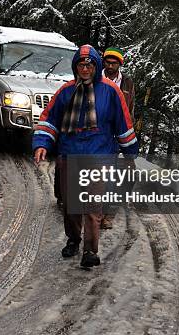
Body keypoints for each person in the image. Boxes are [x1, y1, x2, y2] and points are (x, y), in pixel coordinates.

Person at [33, 45, 138, 269]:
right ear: (75, 67)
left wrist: (129, 152)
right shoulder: (66, 91)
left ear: (96, 66)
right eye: (81, 64)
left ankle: (90, 250)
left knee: (93, 207)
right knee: (71, 205)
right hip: (70, 153)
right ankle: (73, 238)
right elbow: (49, 119)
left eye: (90, 64)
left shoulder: (110, 92)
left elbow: (123, 123)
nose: (85, 69)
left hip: (99, 154)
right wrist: (42, 143)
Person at [101, 46, 136, 229]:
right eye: (108, 61)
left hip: (119, 134)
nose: (111, 65)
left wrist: (130, 135)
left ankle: (109, 212)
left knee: (123, 173)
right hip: (98, 133)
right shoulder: (95, 79)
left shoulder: (128, 83)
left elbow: (130, 110)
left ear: (120, 64)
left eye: (114, 62)